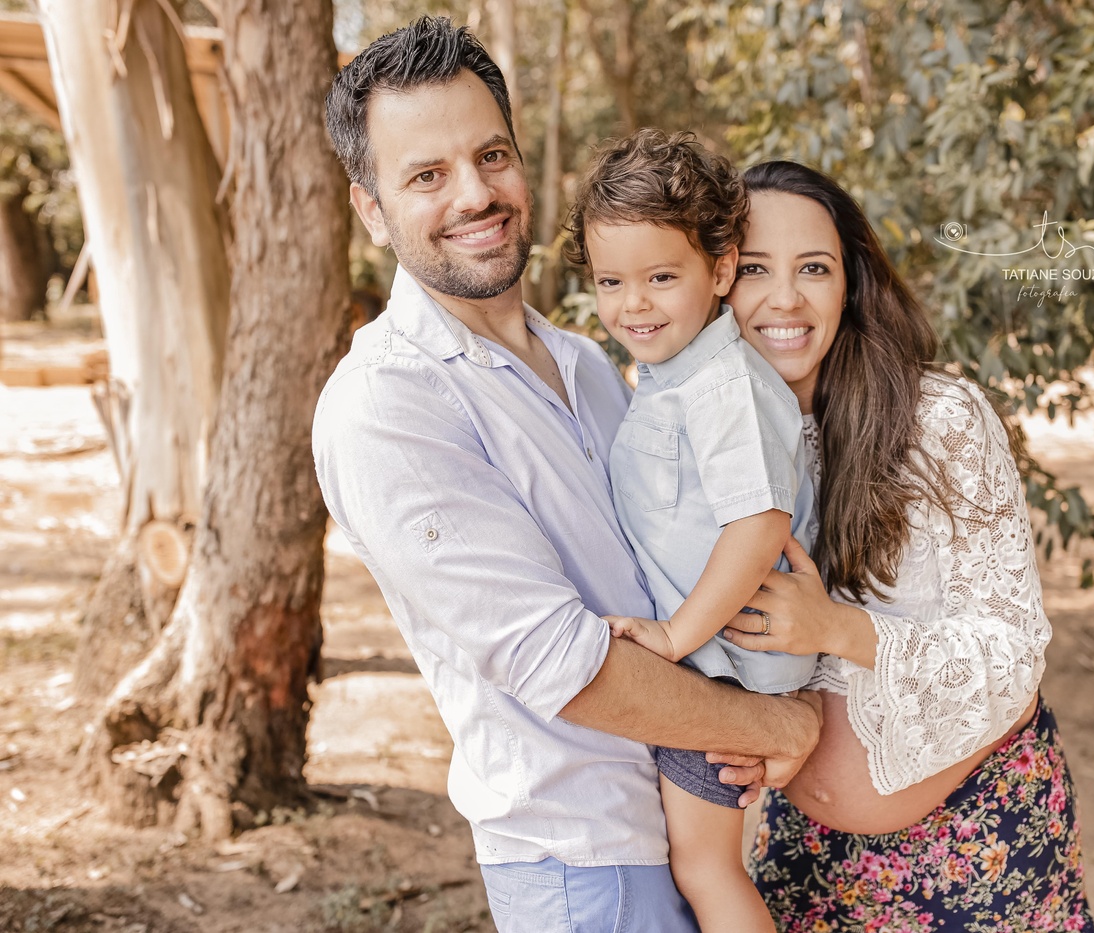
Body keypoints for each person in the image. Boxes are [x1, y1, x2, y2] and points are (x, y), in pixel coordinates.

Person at [312, 20, 821, 933]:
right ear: (371, 210)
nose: (475, 193)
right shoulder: (387, 403)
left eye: (491, 155)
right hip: (585, 867)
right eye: (426, 175)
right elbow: (564, 666)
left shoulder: (593, 364)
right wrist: (779, 725)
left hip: (690, 815)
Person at [721, 161, 1094, 931]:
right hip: (805, 854)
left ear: (850, 285)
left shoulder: (941, 420)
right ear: (717, 281)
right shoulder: (718, 444)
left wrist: (837, 628)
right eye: (755, 268)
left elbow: (1013, 649)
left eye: (814, 268)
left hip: (978, 846)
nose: (785, 298)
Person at [563, 128, 818, 933]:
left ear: (721, 269)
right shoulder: (670, 375)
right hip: (712, 663)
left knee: (706, 868)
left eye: (661, 277)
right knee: (700, 865)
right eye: (612, 281)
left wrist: (676, 637)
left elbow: (759, 521)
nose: (633, 304)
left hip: (724, 672)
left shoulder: (722, 386)